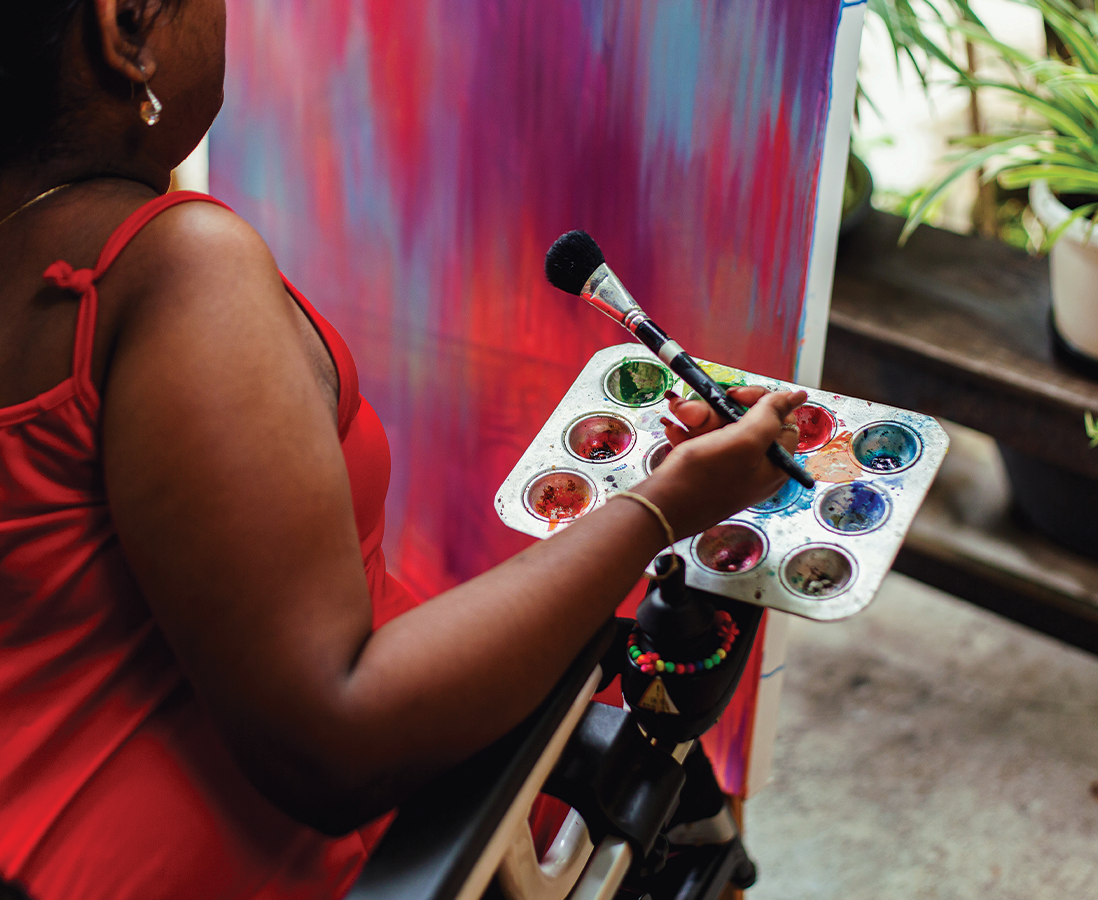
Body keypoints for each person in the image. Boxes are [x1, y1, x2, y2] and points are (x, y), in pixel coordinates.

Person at [0, 1, 807, 898]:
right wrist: (659, 510)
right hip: (264, 859)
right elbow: (334, 738)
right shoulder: (175, 270)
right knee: (675, 801)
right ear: (127, 28)